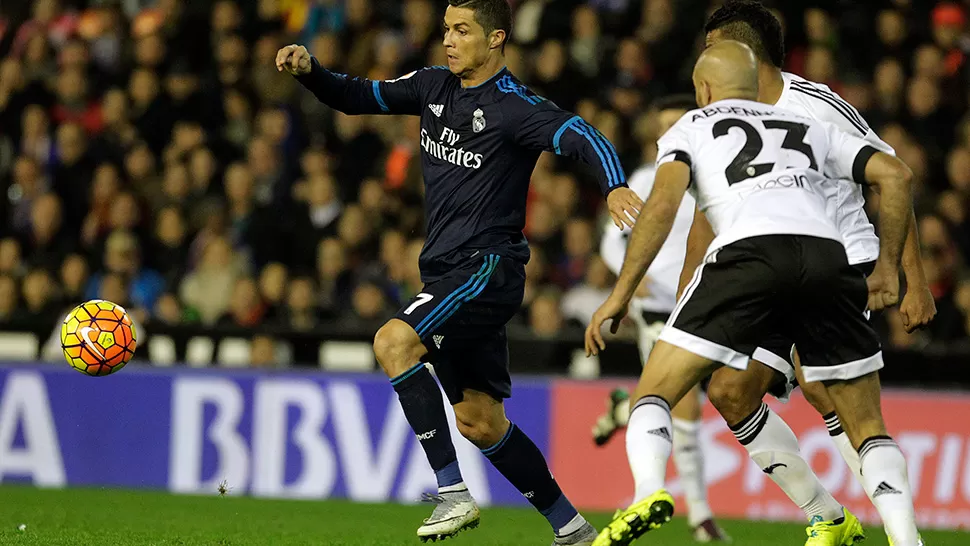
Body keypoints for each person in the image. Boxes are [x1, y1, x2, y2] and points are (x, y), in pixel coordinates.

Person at [277, 0, 644, 544]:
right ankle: (573, 529)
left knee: (393, 343)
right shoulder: (432, 86)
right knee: (480, 422)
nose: (449, 40)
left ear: (496, 38)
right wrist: (313, 73)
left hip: (486, 268)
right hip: (447, 272)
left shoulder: (516, 106)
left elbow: (585, 135)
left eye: (463, 30)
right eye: (447, 29)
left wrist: (613, 183)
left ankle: (452, 494)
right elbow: (357, 98)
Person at [599, 2, 936, 544]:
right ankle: (829, 516)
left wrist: (904, 276)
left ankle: (899, 531)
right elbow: (705, 225)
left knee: (824, 392)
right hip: (782, 262)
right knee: (731, 391)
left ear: (734, 57)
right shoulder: (749, 121)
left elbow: (894, 175)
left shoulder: (814, 107)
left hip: (839, 259)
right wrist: (695, 291)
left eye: (709, 51)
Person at [595, 94, 729, 543]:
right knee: (685, 401)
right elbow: (612, 243)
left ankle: (621, 409)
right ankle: (701, 517)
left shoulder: (714, 178)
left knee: (669, 395)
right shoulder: (643, 179)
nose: (674, 133)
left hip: (702, 301)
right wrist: (636, 279)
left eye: (681, 122)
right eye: (666, 125)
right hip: (656, 307)